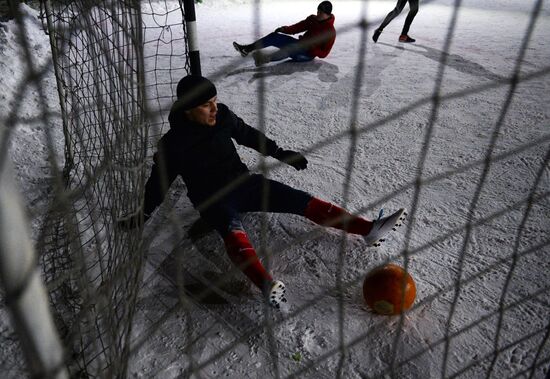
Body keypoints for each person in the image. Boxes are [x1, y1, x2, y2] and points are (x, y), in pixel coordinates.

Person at [121, 75, 406, 308]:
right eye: (206, 105)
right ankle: (265, 283)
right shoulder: (172, 145)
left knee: (299, 200)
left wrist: (281, 153)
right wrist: (144, 212)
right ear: (188, 109)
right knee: (233, 232)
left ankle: (368, 228)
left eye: (215, 101)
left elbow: (248, 135)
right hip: (213, 199)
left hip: (245, 184)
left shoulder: (222, 118)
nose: (215, 108)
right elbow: (157, 183)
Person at [232, 1, 336, 67]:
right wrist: (284, 29)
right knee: (275, 36)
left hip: (307, 54)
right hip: (299, 43)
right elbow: (299, 27)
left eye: (321, 13)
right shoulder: (313, 19)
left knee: (290, 48)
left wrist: (311, 46)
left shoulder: (330, 32)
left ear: (328, 14)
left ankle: (262, 60)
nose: (318, 14)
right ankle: (247, 49)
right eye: (317, 11)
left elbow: (324, 54)